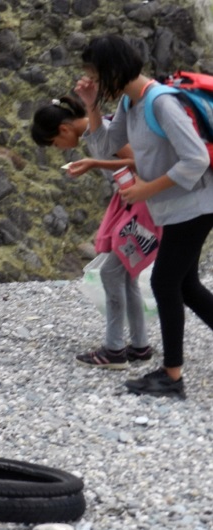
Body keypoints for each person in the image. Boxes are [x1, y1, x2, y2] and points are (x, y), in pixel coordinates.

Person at [78, 34, 213, 398]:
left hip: (197, 205)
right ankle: (171, 374)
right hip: (177, 206)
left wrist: (144, 190)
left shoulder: (160, 103)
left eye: (95, 73)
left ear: (112, 69)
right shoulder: (129, 101)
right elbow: (107, 145)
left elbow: (197, 159)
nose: (92, 79)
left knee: (165, 283)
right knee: (185, 285)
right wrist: (91, 106)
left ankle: (172, 377)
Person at [32, 95, 160, 369]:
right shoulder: (95, 129)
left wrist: (95, 163)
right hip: (139, 203)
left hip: (144, 204)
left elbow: (140, 162)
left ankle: (114, 350)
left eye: (55, 143)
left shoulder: (98, 130)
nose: (60, 148)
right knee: (125, 275)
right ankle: (139, 346)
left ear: (64, 130)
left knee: (111, 273)